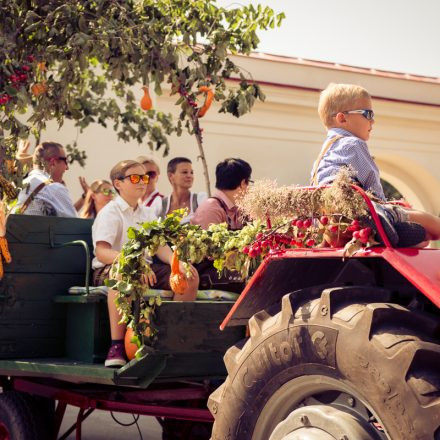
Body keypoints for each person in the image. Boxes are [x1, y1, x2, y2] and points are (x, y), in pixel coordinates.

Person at [92, 159, 199, 367]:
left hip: (145, 269)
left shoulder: (147, 213)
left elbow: (160, 247)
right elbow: (102, 252)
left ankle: (171, 337)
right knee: (121, 274)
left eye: (145, 177)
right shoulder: (110, 212)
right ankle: (116, 345)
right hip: (110, 268)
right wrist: (134, 263)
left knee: (189, 276)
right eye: (134, 177)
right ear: (118, 183)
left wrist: (178, 263)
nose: (142, 181)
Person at [312, 83, 440, 246]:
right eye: (367, 114)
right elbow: (371, 182)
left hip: (335, 226)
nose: (373, 121)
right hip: (361, 213)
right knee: (434, 227)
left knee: (421, 241)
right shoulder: (353, 143)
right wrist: (384, 206)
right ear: (342, 118)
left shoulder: (324, 153)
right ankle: (381, 223)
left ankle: (383, 233)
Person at [15, 141, 77, 217]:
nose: (67, 168)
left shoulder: (19, 185)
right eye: (65, 161)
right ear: (53, 162)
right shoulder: (54, 188)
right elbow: (74, 224)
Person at [191, 158, 252, 230]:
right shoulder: (211, 209)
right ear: (243, 183)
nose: (250, 188)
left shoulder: (238, 208)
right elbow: (209, 240)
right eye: (249, 182)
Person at [160, 157, 207, 223]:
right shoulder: (161, 205)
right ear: (170, 176)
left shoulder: (200, 200)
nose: (189, 176)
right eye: (185, 172)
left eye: (192, 172)